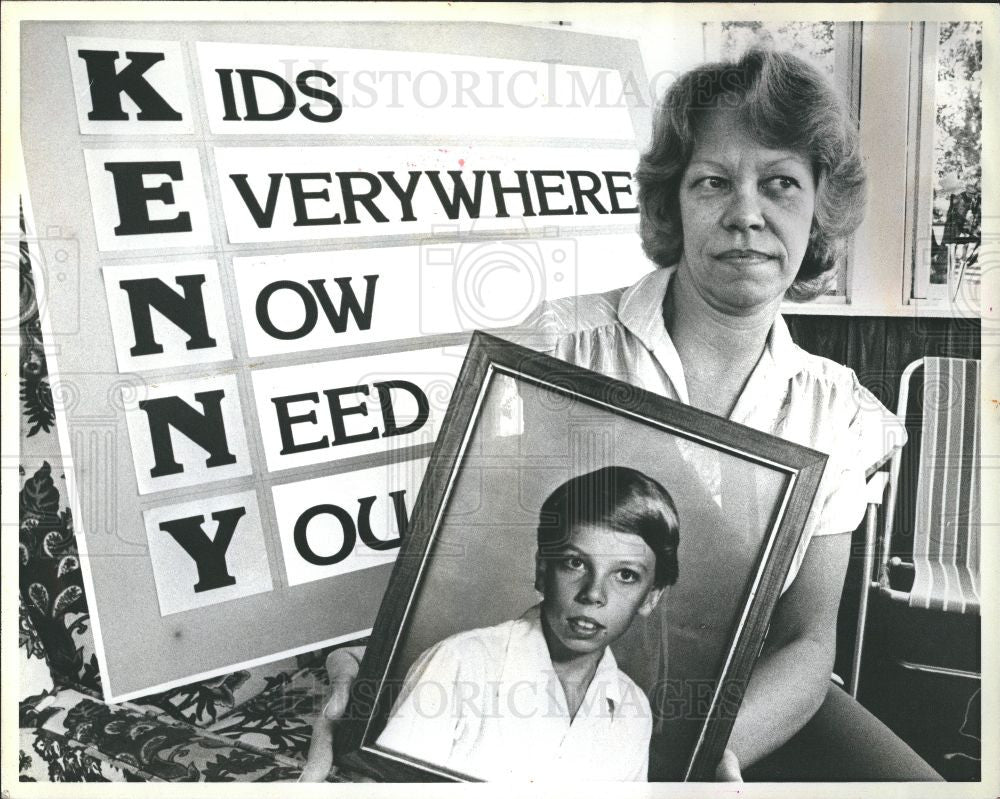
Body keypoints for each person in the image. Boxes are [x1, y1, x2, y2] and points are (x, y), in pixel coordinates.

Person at [302, 47, 942, 782]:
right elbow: (439, 559)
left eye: (780, 184)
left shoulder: (839, 410)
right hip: (546, 680)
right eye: (712, 183)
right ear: (673, 201)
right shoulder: (555, 350)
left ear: (819, 212)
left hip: (752, 704)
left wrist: (712, 755)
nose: (745, 213)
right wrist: (363, 663)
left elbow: (807, 639)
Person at [374, 466, 679, 781]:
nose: (593, 594)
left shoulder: (632, 710)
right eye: (575, 563)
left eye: (625, 575)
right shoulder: (460, 664)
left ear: (650, 598)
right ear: (543, 570)